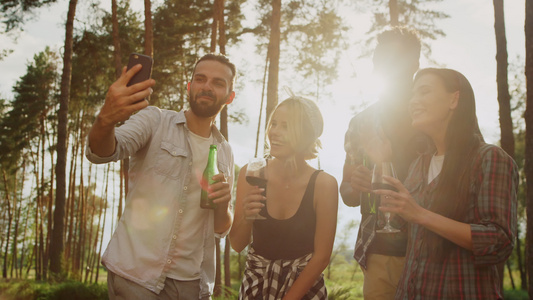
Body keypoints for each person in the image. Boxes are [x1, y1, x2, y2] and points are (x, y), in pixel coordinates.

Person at [86, 53, 236, 300]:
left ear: (229, 97)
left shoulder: (225, 151)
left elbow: (221, 228)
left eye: (218, 83)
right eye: (200, 79)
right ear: (189, 87)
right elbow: (102, 152)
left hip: (193, 286)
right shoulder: (155, 120)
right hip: (137, 278)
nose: (207, 86)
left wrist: (222, 206)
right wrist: (106, 118)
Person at [375, 68, 518, 299]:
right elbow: (397, 223)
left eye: (424, 92)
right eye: (412, 95)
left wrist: (421, 214)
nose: (413, 101)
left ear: (454, 99)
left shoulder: (489, 158)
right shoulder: (419, 164)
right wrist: (382, 162)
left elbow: (499, 241)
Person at [340, 27, 423, 299]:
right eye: (379, 61)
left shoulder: (431, 118)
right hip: (379, 254)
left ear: (414, 65)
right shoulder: (361, 123)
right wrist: (356, 185)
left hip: (432, 249)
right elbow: (348, 194)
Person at [229, 96, 338, 300]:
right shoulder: (252, 173)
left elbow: (322, 257)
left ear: (306, 135)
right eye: (274, 124)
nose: (274, 132)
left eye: (286, 126)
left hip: (304, 290)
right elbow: (237, 244)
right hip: (255, 288)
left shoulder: (324, 184)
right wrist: (246, 216)